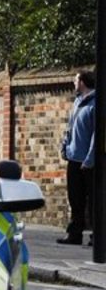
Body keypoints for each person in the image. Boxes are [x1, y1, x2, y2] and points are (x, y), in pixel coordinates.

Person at [59, 71, 96, 245]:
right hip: (73, 158)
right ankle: (75, 234)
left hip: (89, 161)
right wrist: (65, 146)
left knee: (94, 200)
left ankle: (98, 236)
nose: (74, 83)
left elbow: (97, 134)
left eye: (75, 80)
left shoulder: (96, 103)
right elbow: (70, 127)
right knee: (75, 199)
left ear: (82, 82)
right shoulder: (77, 102)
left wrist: (90, 158)